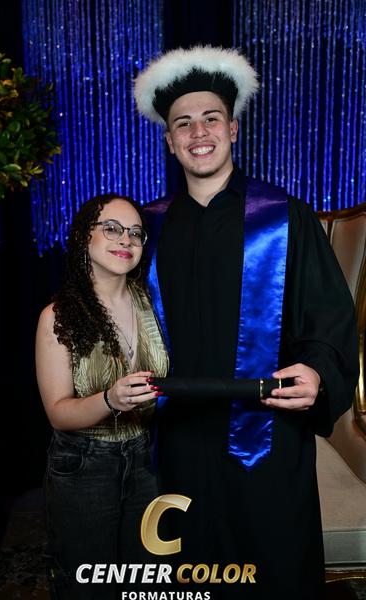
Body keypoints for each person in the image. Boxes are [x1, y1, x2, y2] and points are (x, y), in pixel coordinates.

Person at [134, 46, 359, 599]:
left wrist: (317, 372)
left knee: (274, 572)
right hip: (176, 439)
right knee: (188, 573)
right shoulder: (144, 229)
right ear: (169, 141)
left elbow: (328, 314)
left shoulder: (284, 217)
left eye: (211, 118)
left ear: (232, 129)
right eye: (183, 123)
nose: (199, 132)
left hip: (267, 438)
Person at [35, 194, 169, 600]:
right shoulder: (58, 316)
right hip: (84, 467)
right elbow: (58, 414)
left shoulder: (155, 303)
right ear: (84, 237)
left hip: (147, 458)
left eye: (135, 233)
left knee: (147, 583)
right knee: (90, 588)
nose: (125, 239)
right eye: (111, 228)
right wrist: (110, 399)